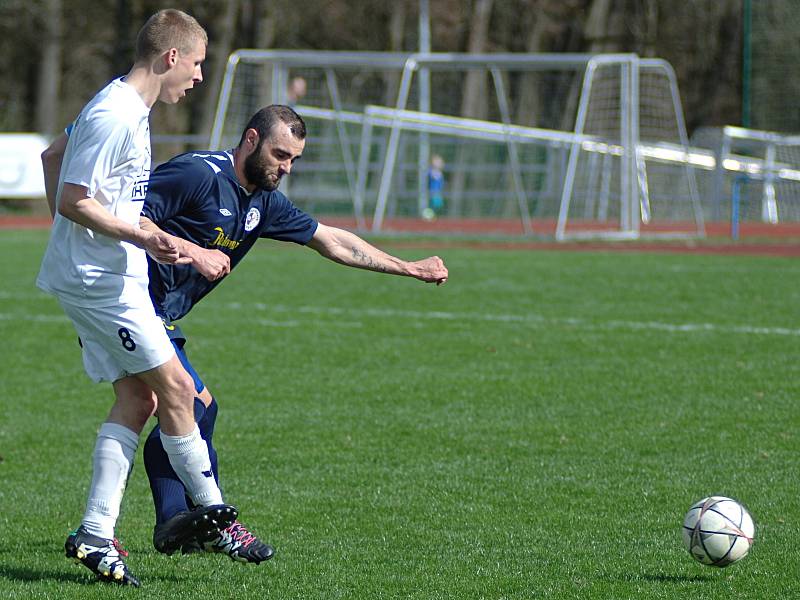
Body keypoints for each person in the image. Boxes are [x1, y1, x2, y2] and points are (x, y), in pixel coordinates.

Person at [137, 104, 449, 564]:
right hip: (127, 304)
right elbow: (129, 219)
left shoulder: (262, 201)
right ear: (250, 140)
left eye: (293, 160)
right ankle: (201, 521)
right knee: (190, 403)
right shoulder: (196, 174)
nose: (285, 167)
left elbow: (329, 239)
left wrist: (406, 267)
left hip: (161, 314)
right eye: (280, 154)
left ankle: (179, 523)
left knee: (188, 408)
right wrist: (191, 250)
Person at [36, 10, 237, 588]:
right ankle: (213, 513)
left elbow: (53, 157)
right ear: (171, 57)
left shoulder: (127, 108)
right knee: (176, 388)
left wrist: (84, 242)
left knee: (137, 398)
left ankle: (95, 535)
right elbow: (75, 199)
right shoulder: (115, 113)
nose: (198, 77)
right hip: (101, 283)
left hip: (104, 273)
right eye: (196, 64)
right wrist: (140, 235)